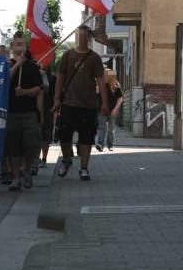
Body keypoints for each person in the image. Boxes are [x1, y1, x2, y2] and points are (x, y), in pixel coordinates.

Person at [53, 25, 109, 180]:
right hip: (69, 103)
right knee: (64, 136)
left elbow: (101, 81)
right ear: (76, 37)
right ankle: (66, 159)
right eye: (80, 35)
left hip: (88, 105)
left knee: (86, 138)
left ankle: (84, 168)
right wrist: (57, 99)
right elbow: (60, 78)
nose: (82, 38)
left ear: (89, 38)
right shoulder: (67, 55)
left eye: (85, 36)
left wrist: (104, 103)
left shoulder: (95, 58)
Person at [4, 32, 44, 191]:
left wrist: (25, 92)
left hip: (29, 113)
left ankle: (26, 169)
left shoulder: (33, 67)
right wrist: (17, 64)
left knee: (31, 145)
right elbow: (4, 80)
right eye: (17, 44)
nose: (20, 46)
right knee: (13, 147)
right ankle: (15, 178)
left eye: (22, 44)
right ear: (12, 47)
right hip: (12, 112)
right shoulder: (7, 65)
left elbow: (38, 89)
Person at [96, 69, 123, 152]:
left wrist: (116, 109)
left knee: (111, 128)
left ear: (110, 76)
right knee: (102, 127)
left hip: (112, 110)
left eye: (105, 74)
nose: (104, 76)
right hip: (102, 109)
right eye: (103, 74)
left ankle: (110, 145)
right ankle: (100, 144)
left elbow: (120, 98)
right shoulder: (100, 85)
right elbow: (96, 95)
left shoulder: (116, 85)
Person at [38, 64, 58, 168]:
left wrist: (55, 106)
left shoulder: (53, 78)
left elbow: (56, 94)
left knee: (46, 134)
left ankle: (44, 158)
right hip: (35, 108)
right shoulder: (34, 74)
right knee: (37, 134)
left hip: (48, 109)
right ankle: (36, 158)